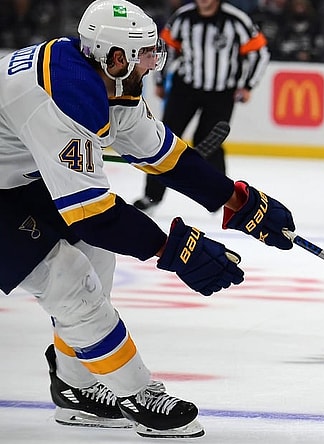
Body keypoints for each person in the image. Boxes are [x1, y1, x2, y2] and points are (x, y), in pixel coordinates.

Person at [0, 0, 295, 437]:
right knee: (67, 283)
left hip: (16, 179)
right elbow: (92, 214)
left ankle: (74, 385)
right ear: (116, 56)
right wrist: (173, 250)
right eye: (146, 54)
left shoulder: (102, 74)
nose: (154, 62)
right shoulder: (65, 95)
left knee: (96, 259)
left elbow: (161, 153)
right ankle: (137, 394)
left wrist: (234, 198)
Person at [133, 0, 270, 212]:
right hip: (185, 87)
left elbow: (260, 52)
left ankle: (224, 196)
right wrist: (159, 80)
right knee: (162, 140)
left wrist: (248, 85)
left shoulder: (236, 20)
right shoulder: (183, 17)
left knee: (210, 141)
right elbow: (163, 48)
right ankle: (151, 197)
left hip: (222, 92)